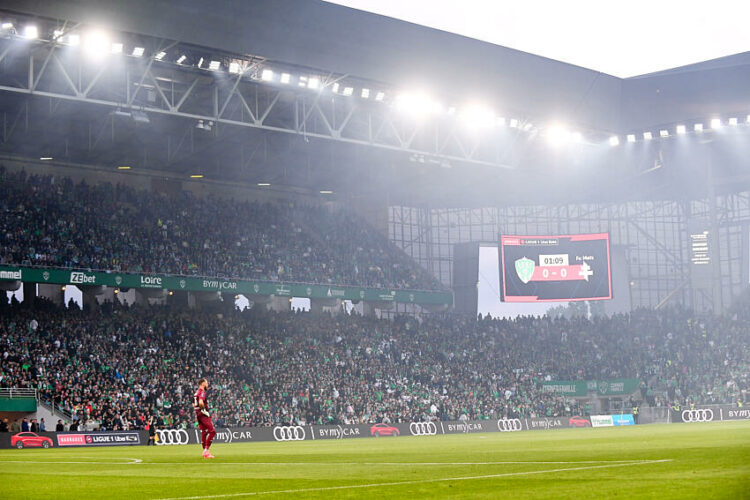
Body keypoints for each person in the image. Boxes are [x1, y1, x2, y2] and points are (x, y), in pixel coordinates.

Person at [193, 378, 216, 459]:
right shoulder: (202, 392)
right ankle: (206, 450)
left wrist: (197, 412)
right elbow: (200, 402)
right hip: (203, 414)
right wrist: (204, 411)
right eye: (206, 383)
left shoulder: (196, 392)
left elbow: (194, 404)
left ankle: (205, 453)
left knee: (204, 432)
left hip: (198, 414)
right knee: (212, 432)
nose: (207, 384)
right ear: (202, 383)